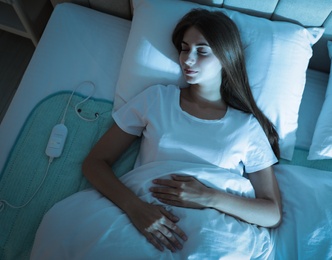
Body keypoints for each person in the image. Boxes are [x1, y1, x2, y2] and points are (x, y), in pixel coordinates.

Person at [31, 8, 282, 259]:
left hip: (213, 229)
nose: (187, 59)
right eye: (184, 48)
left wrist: (209, 197)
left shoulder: (247, 127)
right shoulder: (157, 99)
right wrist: (135, 209)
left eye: (202, 51)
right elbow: (95, 163)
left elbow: (271, 213)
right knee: (63, 227)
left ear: (227, 56)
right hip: (144, 214)